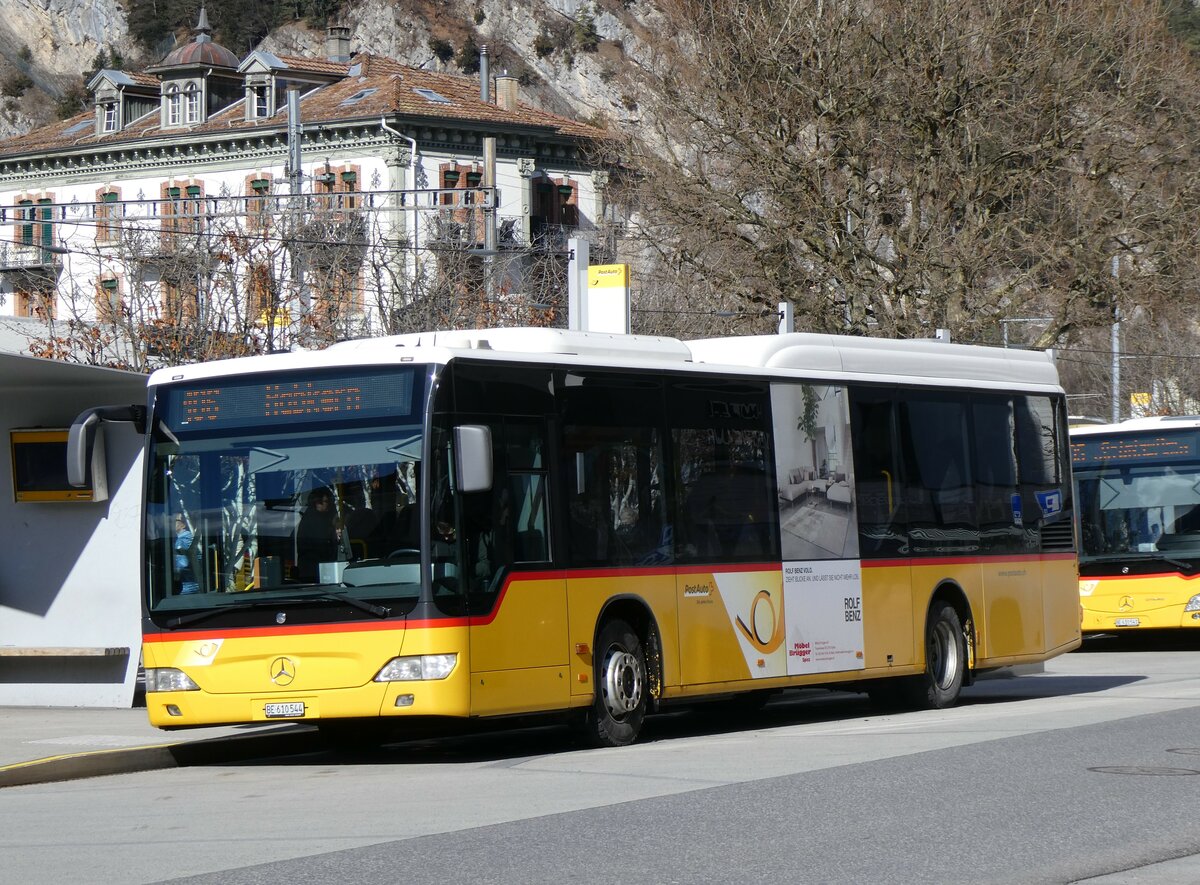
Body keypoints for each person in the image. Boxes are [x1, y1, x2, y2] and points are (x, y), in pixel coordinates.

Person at [296, 487, 350, 582]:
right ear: (317, 502)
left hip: (322, 568)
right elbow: (322, 545)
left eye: (329, 501)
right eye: (325, 501)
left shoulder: (325, 517)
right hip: (313, 572)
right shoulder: (312, 520)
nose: (328, 504)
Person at [174, 515, 200, 595]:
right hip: (191, 584)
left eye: (175, 520)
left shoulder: (182, 541)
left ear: (183, 525)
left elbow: (182, 564)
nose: (172, 522)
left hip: (186, 587)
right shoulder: (187, 538)